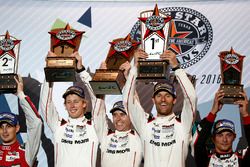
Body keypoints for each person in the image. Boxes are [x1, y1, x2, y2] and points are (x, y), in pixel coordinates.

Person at [122, 49, 197, 167]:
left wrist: (177, 68)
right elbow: (127, 101)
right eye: (159, 95)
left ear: (175, 100)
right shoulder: (145, 124)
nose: (163, 99)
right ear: (153, 99)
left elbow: (191, 98)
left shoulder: (183, 123)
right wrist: (135, 68)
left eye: (167, 96)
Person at [39, 51, 99, 167]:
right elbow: (45, 103)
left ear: (84, 104)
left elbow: (97, 99)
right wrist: (49, 69)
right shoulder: (58, 126)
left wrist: (81, 70)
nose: (72, 105)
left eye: (76, 101)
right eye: (69, 102)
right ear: (65, 105)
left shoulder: (94, 126)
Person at [89, 61, 142, 167]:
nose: (118, 119)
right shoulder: (105, 137)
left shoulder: (139, 136)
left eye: (122, 114)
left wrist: (128, 77)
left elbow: (135, 105)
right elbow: (98, 113)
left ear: (131, 117)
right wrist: (101, 78)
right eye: (115, 115)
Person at [194, 89, 250, 167]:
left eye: (229, 135)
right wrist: (213, 112)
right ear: (213, 138)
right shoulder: (206, 159)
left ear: (234, 137)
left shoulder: (241, 158)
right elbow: (198, 144)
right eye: (220, 135)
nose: (224, 140)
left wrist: (245, 114)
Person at [0, 75, 42, 167]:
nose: (4, 130)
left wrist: (20, 94)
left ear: (17, 128)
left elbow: (36, 123)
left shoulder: (27, 152)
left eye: (9, 126)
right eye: (1, 127)